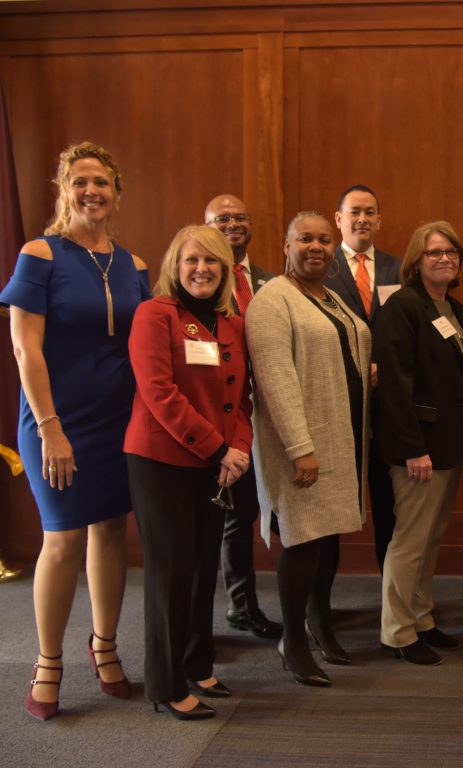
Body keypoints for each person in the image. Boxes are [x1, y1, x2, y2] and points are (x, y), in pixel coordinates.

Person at [2, 142, 149, 721]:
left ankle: (105, 648)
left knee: (112, 532)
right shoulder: (40, 254)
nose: (92, 191)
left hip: (119, 421)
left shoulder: (133, 264)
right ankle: (47, 663)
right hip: (56, 419)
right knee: (62, 539)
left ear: (117, 194)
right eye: (80, 181)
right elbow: (24, 347)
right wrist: (50, 428)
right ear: (64, 190)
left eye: (102, 183)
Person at [125, 225, 252, 720]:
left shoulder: (233, 324)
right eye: (192, 261)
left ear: (224, 270)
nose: (201, 269)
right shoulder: (154, 315)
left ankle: (198, 663)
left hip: (217, 463)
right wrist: (220, 448)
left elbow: (239, 398)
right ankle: (164, 682)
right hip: (162, 460)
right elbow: (159, 394)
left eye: (212, 262)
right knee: (170, 573)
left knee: (204, 567)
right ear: (174, 267)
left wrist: (238, 449)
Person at [246, 211, 370, 687]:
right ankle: (293, 641)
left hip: (342, 435)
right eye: (305, 239)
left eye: (323, 239)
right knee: (302, 543)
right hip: (304, 443)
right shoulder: (273, 300)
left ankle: (321, 623)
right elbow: (275, 382)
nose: (315, 246)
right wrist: (300, 448)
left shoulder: (330, 296)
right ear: (286, 245)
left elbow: (344, 347)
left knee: (330, 537)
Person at [374, 221, 463, 666]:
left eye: (452, 251)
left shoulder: (455, 309)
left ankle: (422, 617)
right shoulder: (403, 306)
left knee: (430, 539)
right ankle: (396, 632)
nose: (445, 259)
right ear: (416, 260)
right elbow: (395, 383)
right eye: (434, 253)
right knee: (409, 541)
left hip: (449, 447)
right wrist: (413, 447)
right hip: (418, 449)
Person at [203, 193, 281, 641]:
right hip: (218, 418)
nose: (232, 224)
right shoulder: (199, 278)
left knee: (247, 512)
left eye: (239, 216)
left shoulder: (270, 281)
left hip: (264, 416)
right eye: (222, 218)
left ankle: (242, 605)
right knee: (225, 517)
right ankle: (238, 607)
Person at [324, 184, 401, 572]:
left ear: (379, 220)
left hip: (387, 409)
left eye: (370, 212)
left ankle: (392, 598)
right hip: (339, 406)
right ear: (339, 219)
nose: (362, 219)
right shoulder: (320, 267)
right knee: (333, 506)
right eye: (354, 211)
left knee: (389, 505)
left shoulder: (399, 268)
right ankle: (322, 603)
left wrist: (384, 369)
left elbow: (406, 331)